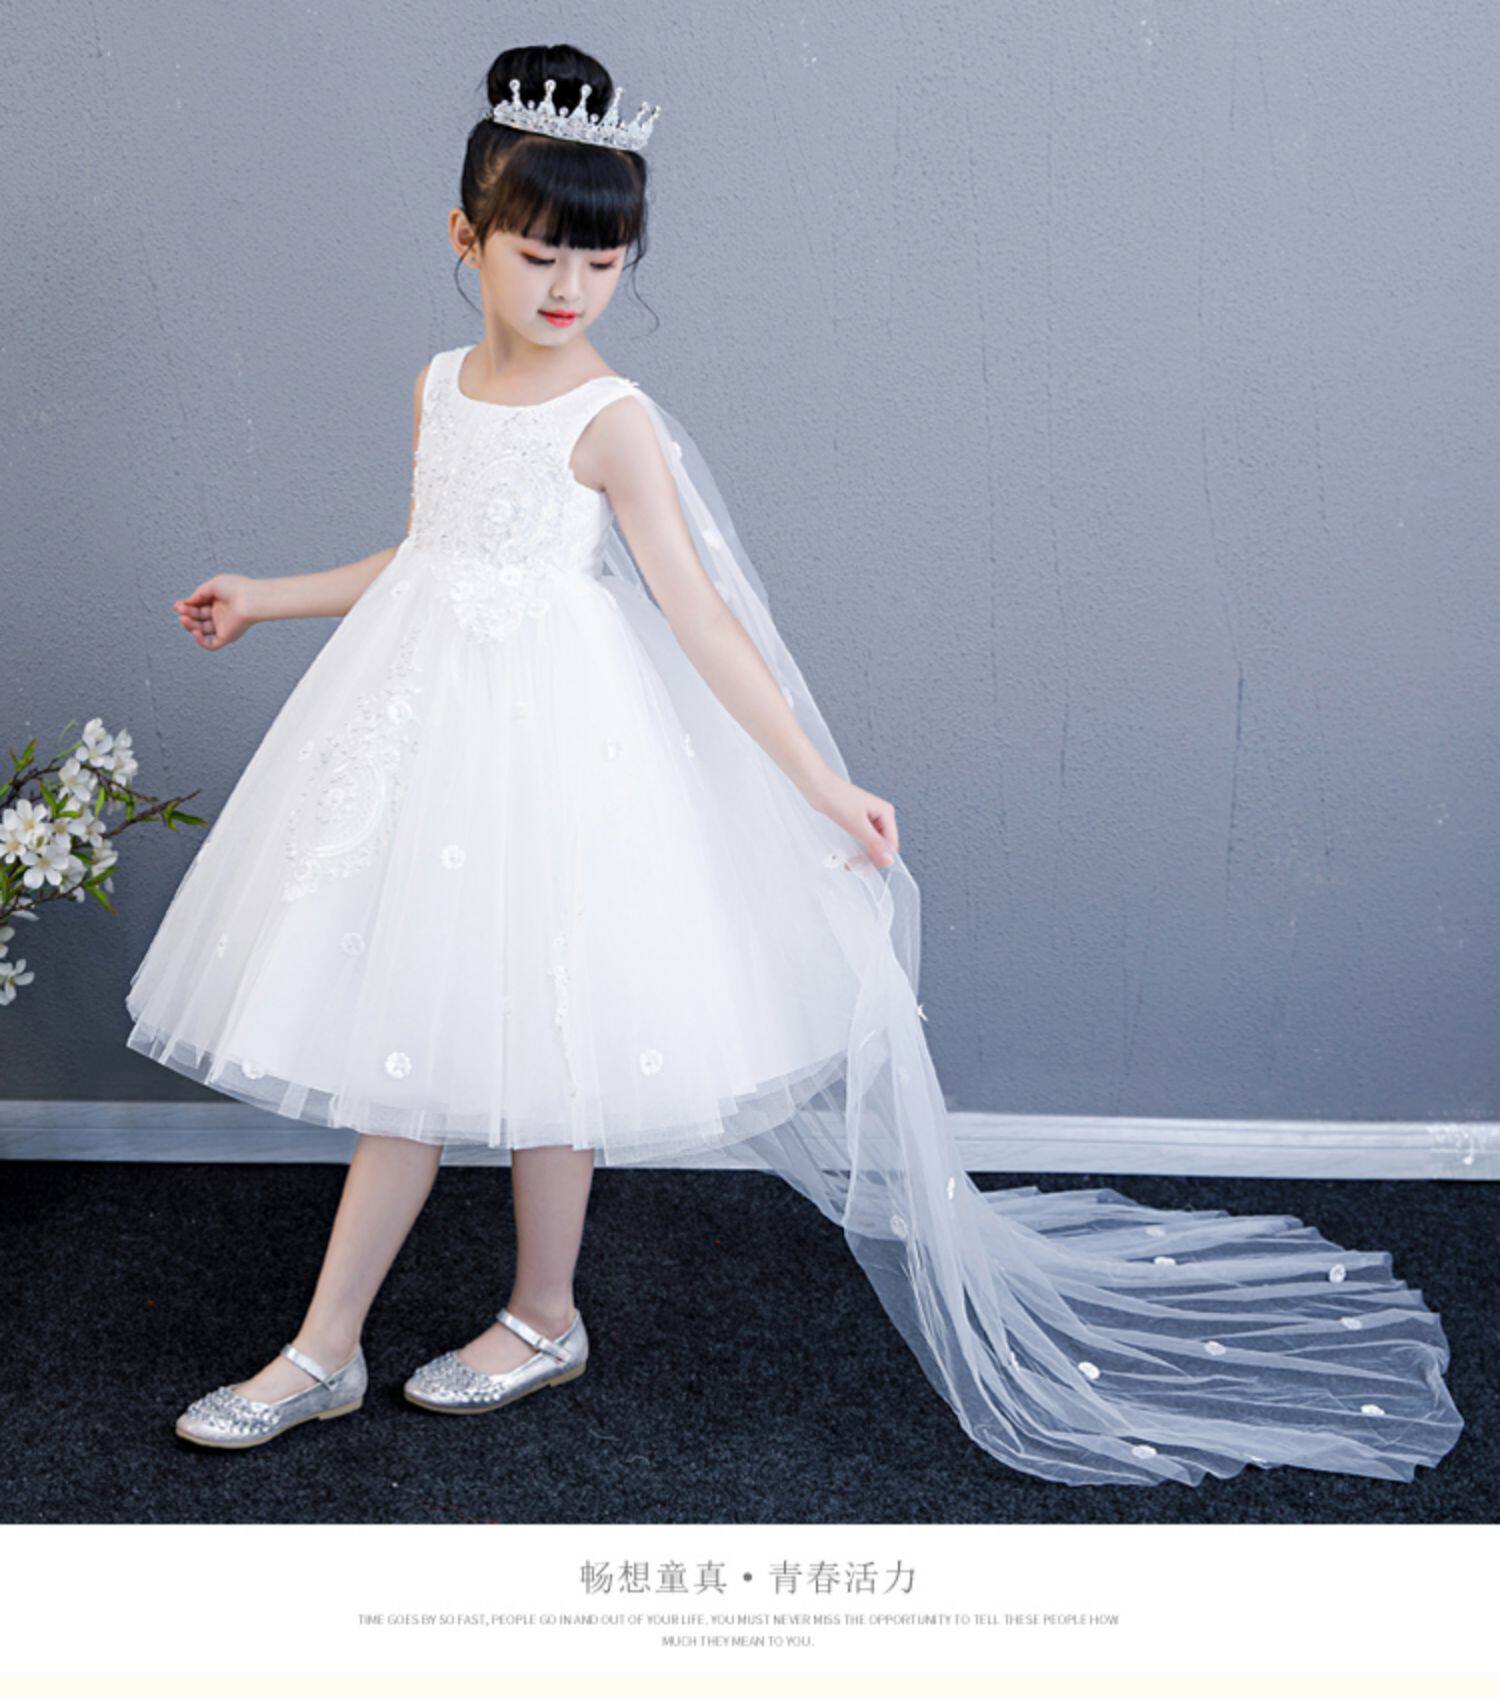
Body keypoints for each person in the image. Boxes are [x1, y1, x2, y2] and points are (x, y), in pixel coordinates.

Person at [126, 42, 1464, 1484]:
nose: (570, 288)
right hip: (431, 737)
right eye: (538, 254)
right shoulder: (439, 387)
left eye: (603, 260)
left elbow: (700, 616)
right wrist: (269, 597)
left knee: (551, 1039)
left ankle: (539, 1316)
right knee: (420, 1034)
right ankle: (327, 1348)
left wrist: (823, 784)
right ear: (467, 237)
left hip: (556, 754)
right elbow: (431, 553)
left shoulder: (611, 421)